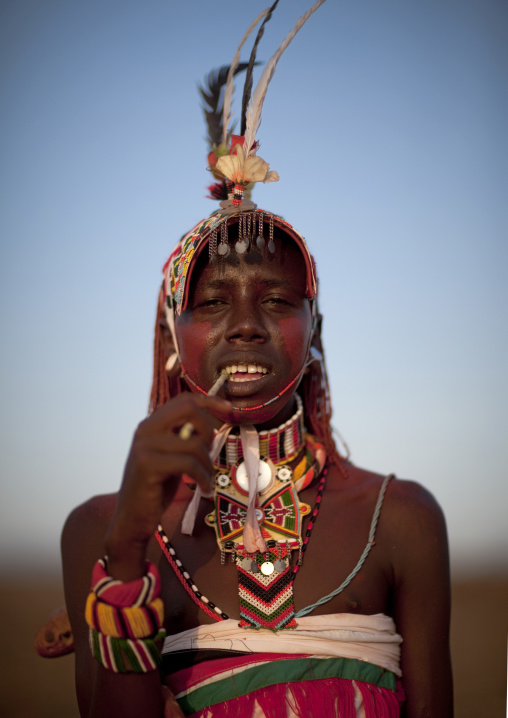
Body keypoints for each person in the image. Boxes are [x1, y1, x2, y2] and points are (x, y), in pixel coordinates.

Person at [61, 5, 453, 717]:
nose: (246, 326)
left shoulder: (400, 519)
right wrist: (124, 556)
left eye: (276, 300)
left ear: (315, 327)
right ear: (169, 334)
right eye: (211, 304)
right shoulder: (100, 531)